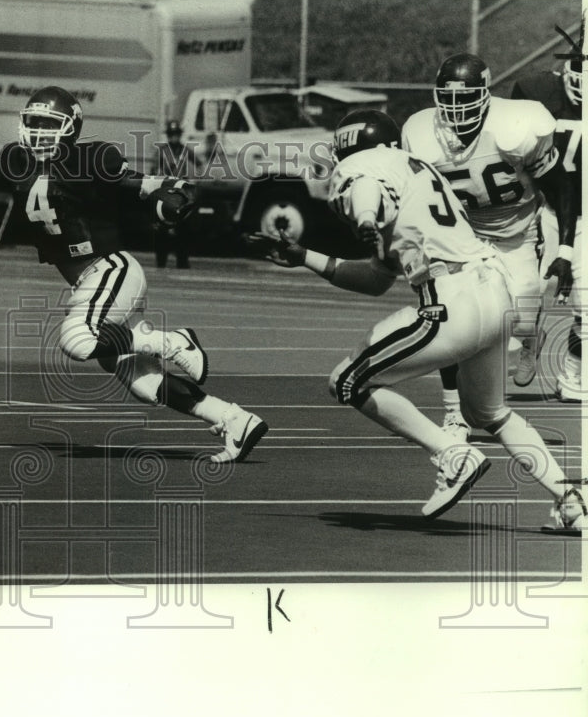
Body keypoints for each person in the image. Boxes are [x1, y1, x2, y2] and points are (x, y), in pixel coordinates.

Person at [248, 109, 583, 534]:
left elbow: (366, 187)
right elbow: (375, 279)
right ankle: (572, 501)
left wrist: (366, 217)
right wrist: (306, 258)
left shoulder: (362, 168)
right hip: (495, 295)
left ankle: (452, 454)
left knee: (346, 381)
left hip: (451, 302)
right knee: (491, 412)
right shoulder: (423, 174)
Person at [0, 81, 267, 463]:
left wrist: (174, 188)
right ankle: (233, 419)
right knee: (142, 381)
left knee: (77, 339)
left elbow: (140, 184)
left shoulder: (91, 157)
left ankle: (174, 341)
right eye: (35, 122)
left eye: (50, 124)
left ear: (70, 127)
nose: (39, 132)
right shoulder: (18, 159)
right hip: (91, 280)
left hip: (110, 269)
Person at [401, 52, 576, 441]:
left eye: (466, 100)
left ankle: (531, 337)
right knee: (450, 318)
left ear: (486, 94)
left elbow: (562, 186)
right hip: (461, 236)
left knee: (522, 319)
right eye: (449, 100)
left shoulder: (516, 125)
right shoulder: (420, 132)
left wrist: (563, 252)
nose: (457, 110)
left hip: (517, 231)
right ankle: (453, 414)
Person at [511, 16, 584, 403]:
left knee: (586, 308)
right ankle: (529, 341)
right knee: (526, 298)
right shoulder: (537, 91)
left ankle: (572, 378)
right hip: (550, 210)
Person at [153, 120, 199, 269]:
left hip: (181, 193)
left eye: (177, 134)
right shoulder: (162, 152)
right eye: (172, 134)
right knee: (163, 228)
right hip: (166, 191)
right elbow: (154, 170)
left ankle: (182, 261)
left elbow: (199, 164)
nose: (174, 137)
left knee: (183, 229)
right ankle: (161, 261)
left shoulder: (185, 151)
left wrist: (193, 180)